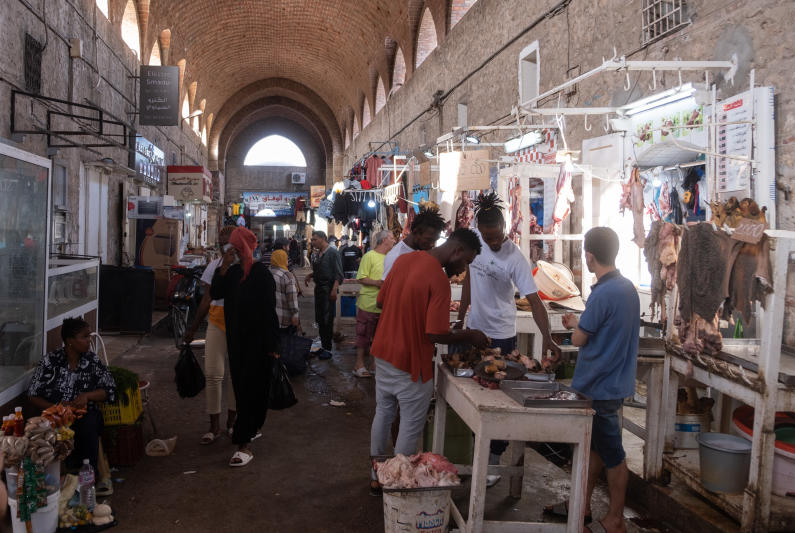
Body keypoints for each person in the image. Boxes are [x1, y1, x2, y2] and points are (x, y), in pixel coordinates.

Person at [369, 228, 489, 491]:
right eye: (466, 262)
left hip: (383, 352)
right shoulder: (438, 278)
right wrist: (470, 334)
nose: (462, 270)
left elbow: (380, 301)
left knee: (384, 412)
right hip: (411, 363)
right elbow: (435, 333)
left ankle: (376, 476)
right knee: (410, 427)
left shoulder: (403, 260)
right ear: (456, 251)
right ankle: (397, 485)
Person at [457, 192, 562, 486]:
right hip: (475, 330)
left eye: (496, 236)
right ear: (479, 228)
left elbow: (536, 302)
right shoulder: (475, 241)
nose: (492, 242)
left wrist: (549, 338)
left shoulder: (515, 257)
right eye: (487, 236)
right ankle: (478, 453)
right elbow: (468, 278)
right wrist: (461, 314)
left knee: (498, 402)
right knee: (473, 397)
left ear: (504, 228)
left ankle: (493, 460)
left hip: (502, 335)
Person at [548, 227, 639, 533]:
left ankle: (615, 518)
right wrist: (581, 320)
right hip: (614, 383)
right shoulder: (627, 288)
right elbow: (604, 326)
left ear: (589, 256)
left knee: (613, 455)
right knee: (594, 450)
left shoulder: (602, 293)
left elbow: (579, 338)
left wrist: (575, 328)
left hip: (599, 386)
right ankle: (580, 506)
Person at [210, 227, 281, 467]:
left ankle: (244, 443)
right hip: (237, 343)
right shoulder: (231, 274)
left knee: (253, 390)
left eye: (233, 246)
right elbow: (215, 292)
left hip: (259, 343)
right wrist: (224, 265)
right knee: (242, 389)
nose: (229, 249)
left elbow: (270, 312)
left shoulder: (261, 274)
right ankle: (248, 430)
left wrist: (273, 345)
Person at [28, 318, 117, 475]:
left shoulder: (92, 361)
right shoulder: (50, 361)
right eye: (84, 337)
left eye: (89, 336)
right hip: (55, 415)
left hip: (84, 414)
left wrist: (87, 396)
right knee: (45, 434)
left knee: (88, 426)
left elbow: (110, 389)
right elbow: (33, 395)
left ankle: (86, 476)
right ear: (70, 341)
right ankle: (57, 479)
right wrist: (56, 408)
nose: (89, 340)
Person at [184, 225, 238, 444]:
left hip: (238, 324)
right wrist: (193, 327)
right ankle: (214, 425)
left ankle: (233, 423)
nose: (225, 246)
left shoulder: (246, 268)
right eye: (222, 242)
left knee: (235, 376)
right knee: (213, 373)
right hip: (216, 321)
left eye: (229, 242)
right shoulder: (214, 266)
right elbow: (207, 298)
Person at [352, 230, 395, 377]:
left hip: (384, 305)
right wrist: (378, 283)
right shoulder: (369, 256)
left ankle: (374, 364)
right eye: (391, 238)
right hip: (368, 303)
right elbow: (361, 278)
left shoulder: (391, 258)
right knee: (363, 335)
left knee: (378, 338)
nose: (394, 241)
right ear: (383, 240)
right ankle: (359, 364)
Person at [304, 231, 343, 359]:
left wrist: (334, 289)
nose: (312, 242)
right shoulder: (318, 254)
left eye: (315, 240)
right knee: (320, 319)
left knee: (327, 319)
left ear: (322, 239)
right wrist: (311, 275)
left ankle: (328, 349)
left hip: (328, 290)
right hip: (319, 290)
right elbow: (321, 271)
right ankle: (323, 346)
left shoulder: (333, 253)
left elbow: (338, 274)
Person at [382, 208, 447, 279]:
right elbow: (386, 286)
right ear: (416, 232)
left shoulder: (422, 251)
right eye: (429, 239)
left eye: (435, 240)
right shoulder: (396, 256)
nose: (432, 244)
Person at [270, 249, 300, 333]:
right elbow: (292, 298)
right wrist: (295, 314)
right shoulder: (287, 275)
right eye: (286, 258)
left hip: (269, 319)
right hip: (284, 320)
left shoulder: (267, 273)